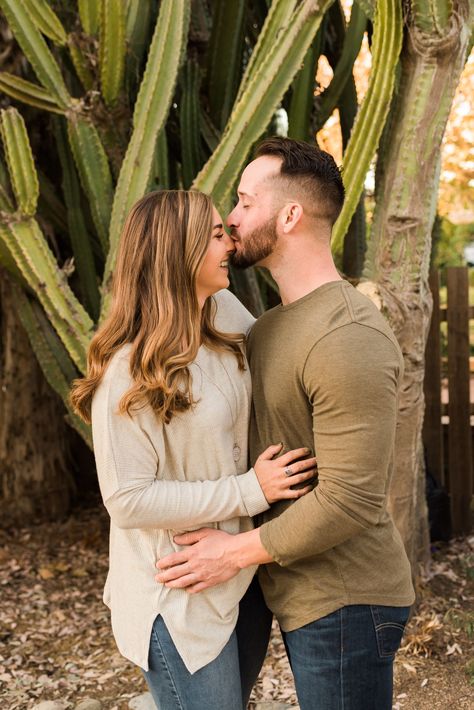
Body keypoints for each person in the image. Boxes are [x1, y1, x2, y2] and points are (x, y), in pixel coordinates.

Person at [155, 139, 416, 710]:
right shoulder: (267, 327)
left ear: (290, 215)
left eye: (246, 202)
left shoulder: (349, 334)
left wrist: (232, 552)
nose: (231, 218)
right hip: (289, 586)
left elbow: (351, 498)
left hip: (348, 597)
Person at [69, 189, 317, 710]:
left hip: (239, 573)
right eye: (213, 234)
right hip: (178, 594)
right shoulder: (127, 373)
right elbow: (129, 499)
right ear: (175, 253)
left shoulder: (222, 312)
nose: (228, 240)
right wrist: (249, 491)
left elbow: (280, 360)